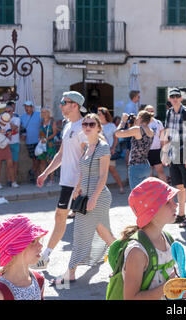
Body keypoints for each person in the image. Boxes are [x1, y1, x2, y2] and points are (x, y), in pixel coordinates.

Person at [50, 113, 116, 285]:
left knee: (81, 233)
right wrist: (77, 188)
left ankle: (70, 273)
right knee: (105, 234)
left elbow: (103, 176)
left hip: (97, 197)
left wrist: (93, 198)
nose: (87, 127)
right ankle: (123, 262)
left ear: (98, 127)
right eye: (85, 124)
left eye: (91, 124)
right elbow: (83, 171)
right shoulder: (87, 146)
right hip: (85, 195)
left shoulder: (103, 147)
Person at [32, 91, 88, 269]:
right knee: (63, 217)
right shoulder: (67, 126)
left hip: (78, 182)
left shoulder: (83, 127)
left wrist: (80, 184)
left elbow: (87, 158)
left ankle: (46, 257)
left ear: (75, 105)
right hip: (67, 181)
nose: (61, 105)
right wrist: (46, 173)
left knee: (90, 222)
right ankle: (46, 257)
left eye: (64, 102)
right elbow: (61, 154)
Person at [120, 177, 179, 299]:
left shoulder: (168, 239)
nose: (175, 204)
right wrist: (170, 286)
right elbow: (130, 298)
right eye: (168, 202)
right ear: (152, 211)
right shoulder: (137, 252)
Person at [162, 88, 186, 228]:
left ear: (181, 98)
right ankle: (181, 215)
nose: (175, 98)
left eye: (177, 96)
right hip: (173, 152)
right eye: (172, 96)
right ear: (169, 99)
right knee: (179, 186)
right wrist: (165, 153)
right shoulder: (169, 113)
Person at [0, 215, 48, 300]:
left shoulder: (39, 279)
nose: (41, 245)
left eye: (39, 240)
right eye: (33, 241)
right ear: (16, 248)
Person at [115, 110, 154, 190]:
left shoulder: (137, 129)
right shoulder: (151, 131)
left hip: (135, 166)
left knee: (136, 195)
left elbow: (117, 133)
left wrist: (123, 121)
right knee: (144, 193)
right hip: (146, 166)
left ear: (140, 118)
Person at [98, 107, 125, 194]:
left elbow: (115, 138)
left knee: (112, 170)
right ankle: (100, 191)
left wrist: (113, 148)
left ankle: (121, 187)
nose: (98, 115)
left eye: (99, 114)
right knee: (100, 172)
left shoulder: (111, 126)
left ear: (104, 115)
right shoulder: (95, 125)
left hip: (109, 151)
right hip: (98, 151)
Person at [0, 112, 18, 189]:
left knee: (10, 164)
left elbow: (15, 128)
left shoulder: (9, 123)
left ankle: (13, 182)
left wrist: (11, 129)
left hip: (6, 145)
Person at [20, 101, 42, 183]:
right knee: (34, 159)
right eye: (25, 106)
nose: (26, 108)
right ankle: (35, 177)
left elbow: (45, 123)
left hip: (39, 141)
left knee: (39, 159)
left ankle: (33, 172)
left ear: (32, 107)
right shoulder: (22, 117)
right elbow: (21, 128)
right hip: (29, 141)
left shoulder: (38, 114)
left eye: (28, 106)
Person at [144, 105, 166, 182]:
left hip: (157, 150)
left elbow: (162, 138)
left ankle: (166, 190)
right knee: (148, 174)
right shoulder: (142, 123)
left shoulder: (158, 123)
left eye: (152, 111)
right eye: (148, 111)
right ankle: (150, 192)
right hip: (146, 151)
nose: (150, 113)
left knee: (160, 172)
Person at [37, 107, 58, 186]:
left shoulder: (52, 122)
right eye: (42, 112)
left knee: (50, 163)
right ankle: (42, 179)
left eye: (45, 112)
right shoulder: (41, 122)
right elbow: (40, 132)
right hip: (42, 144)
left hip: (50, 145)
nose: (43, 114)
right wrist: (40, 138)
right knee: (42, 162)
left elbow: (54, 133)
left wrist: (46, 139)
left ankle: (51, 180)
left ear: (48, 113)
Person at [5, 102, 21, 185]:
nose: (7, 113)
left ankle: (13, 180)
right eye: (6, 112)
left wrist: (8, 121)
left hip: (15, 143)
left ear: (12, 112)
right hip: (6, 144)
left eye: (9, 111)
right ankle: (9, 180)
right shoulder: (2, 120)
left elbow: (15, 128)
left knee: (15, 163)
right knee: (8, 163)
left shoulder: (16, 119)